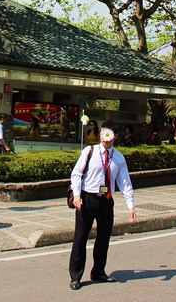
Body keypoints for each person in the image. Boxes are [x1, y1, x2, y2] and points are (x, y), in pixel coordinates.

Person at [68, 123, 137, 290]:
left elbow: (124, 182)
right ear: (100, 135)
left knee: (103, 238)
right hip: (87, 199)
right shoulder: (89, 152)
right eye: (104, 135)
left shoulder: (119, 158)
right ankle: (76, 276)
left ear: (115, 137)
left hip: (106, 201)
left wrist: (131, 205)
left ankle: (98, 272)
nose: (106, 139)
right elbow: (76, 173)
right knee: (80, 238)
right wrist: (76, 196)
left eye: (110, 135)